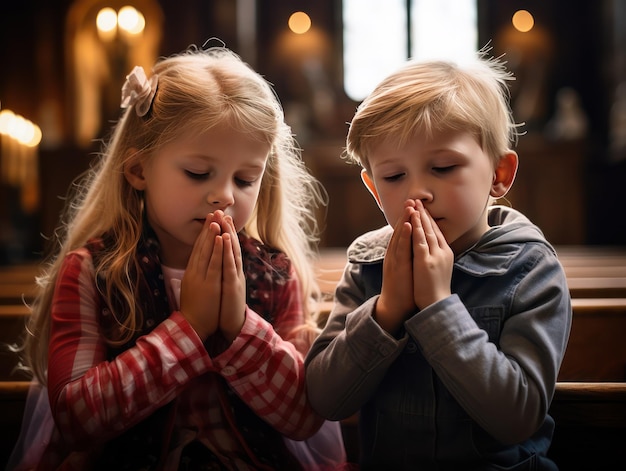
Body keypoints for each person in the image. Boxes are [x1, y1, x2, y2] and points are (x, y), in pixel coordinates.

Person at [8, 44, 347, 470]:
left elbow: (302, 417)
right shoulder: (93, 271)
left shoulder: (275, 273)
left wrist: (238, 328)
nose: (224, 195)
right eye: (198, 173)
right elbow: (77, 420)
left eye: (245, 179)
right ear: (138, 171)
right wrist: (192, 328)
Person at [305, 49, 572, 470]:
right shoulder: (369, 265)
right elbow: (325, 399)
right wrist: (387, 311)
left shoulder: (530, 269)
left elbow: (518, 416)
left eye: (444, 167)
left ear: (499, 174)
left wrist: (438, 307)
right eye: (394, 177)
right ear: (374, 189)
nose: (418, 193)